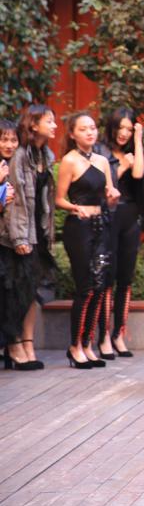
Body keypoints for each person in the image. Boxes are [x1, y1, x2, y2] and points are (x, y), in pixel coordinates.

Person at [55, 113, 120, 368]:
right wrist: (74, 207)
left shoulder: (103, 161)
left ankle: (87, 343)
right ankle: (75, 346)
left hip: (100, 225)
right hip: (79, 228)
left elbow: (108, 197)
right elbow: (58, 199)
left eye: (92, 128)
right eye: (83, 129)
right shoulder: (69, 161)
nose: (90, 132)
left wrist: (113, 197)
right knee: (85, 287)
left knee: (100, 286)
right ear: (73, 134)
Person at [3, 106, 58, 369]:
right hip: (20, 233)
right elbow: (16, 202)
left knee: (33, 290)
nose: (55, 125)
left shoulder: (46, 155)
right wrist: (19, 238)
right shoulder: (20, 156)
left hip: (39, 231)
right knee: (17, 291)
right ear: (34, 125)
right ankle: (14, 344)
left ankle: (28, 342)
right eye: (50, 121)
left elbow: (46, 201)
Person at [96, 108, 144, 359]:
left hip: (130, 218)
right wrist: (122, 166)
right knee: (107, 277)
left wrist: (138, 141)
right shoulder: (101, 152)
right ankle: (104, 336)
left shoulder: (131, 151)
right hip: (109, 217)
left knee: (125, 278)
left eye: (129, 129)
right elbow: (104, 187)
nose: (124, 133)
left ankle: (119, 334)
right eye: (121, 128)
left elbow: (138, 174)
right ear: (112, 127)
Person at [0, 119, 37, 370]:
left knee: (14, 293)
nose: (9, 144)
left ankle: (13, 344)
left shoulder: (17, 164)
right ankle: (12, 346)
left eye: (13, 140)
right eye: (4, 139)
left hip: (8, 240)